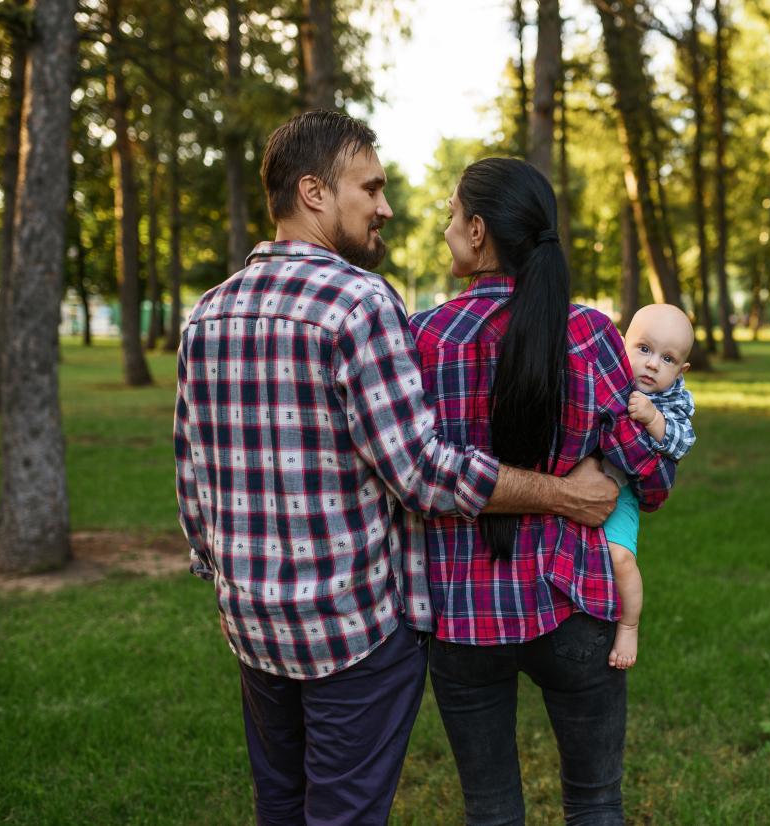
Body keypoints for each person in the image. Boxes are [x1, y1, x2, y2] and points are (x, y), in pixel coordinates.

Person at [173, 112, 618, 826]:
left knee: (280, 808)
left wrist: (229, 581)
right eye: (370, 188)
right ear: (314, 192)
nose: (385, 206)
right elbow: (421, 475)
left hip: (252, 626)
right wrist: (564, 494)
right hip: (352, 633)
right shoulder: (357, 302)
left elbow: (192, 479)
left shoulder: (208, 314)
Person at [409, 157, 678, 825]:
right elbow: (651, 479)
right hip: (575, 603)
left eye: (449, 215)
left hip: (463, 618)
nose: (445, 230)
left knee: (491, 811)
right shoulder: (589, 336)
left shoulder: (423, 339)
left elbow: (412, 476)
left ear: (477, 231)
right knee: (594, 804)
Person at [602, 303, 696, 670]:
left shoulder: (671, 399)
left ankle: (629, 625)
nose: (653, 364)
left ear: (682, 370)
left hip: (622, 490)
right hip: (580, 475)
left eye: (668, 359)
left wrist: (654, 419)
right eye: (644, 349)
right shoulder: (610, 376)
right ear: (623, 343)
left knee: (620, 557)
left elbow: (683, 442)